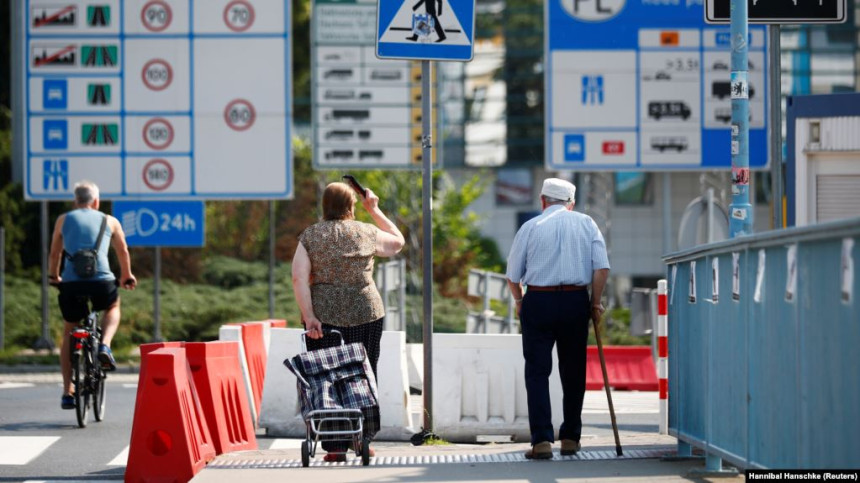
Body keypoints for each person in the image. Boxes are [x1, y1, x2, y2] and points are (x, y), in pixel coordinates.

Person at [291, 181, 405, 462]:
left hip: (325, 315)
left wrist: (309, 318)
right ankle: (363, 438)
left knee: (326, 377)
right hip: (366, 312)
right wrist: (375, 210)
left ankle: (334, 445)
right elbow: (398, 242)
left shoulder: (310, 236)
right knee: (363, 372)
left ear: (324, 206)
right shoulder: (366, 232)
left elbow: (299, 278)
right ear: (351, 206)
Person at [505, 178, 610, 460]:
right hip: (576, 301)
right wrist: (595, 302)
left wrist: (519, 300)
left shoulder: (529, 227)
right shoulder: (587, 223)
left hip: (538, 300)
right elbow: (601, 269)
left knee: (538, 372)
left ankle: (541, 440)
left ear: (542, 201)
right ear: (571, 204)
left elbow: (513, 276)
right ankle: (570, 438)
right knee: (573, 371)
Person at [48, 181, 137, 410]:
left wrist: (53, 277)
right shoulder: (110, 220)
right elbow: (122, 251)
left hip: (71, 284)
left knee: (69, 331)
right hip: (102, 282)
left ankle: (68, 391)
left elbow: (55, 252)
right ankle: (105, 345)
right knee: (113, 307)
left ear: (75, 201)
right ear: (96, 202)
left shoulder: (63, 219)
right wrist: (126, 276)